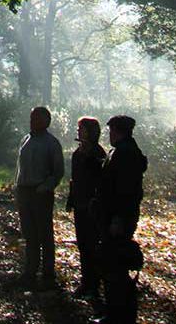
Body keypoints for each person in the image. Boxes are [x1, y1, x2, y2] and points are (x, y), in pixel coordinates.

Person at [97, 115, 148, 323]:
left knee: (115, 265)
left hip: (118, 218)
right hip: (117, 216)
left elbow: (124, 191)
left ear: (118, 130)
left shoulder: (124, 153)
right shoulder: (125, 151)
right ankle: (119, 313)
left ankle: (117, 315)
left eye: (111, 130)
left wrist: (117, 219)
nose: (109, 134)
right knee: (115, 264)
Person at [15, 106, 64, 289]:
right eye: (31, 117)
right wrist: (17, 188)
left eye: (36, 117)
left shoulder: (52, 144)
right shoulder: (25, 140)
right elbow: (19, 167)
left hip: (40, 193)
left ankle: (48, 273)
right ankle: (30, 270)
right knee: (29, 234)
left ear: (46, 121)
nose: (32, 120)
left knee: (44, 234)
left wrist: (45, 188)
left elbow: (58, 172)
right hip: (25, 192)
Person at [66, 116, 106, 297]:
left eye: (81, 128)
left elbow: (102, 183)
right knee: (82, 244)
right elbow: (75, 179)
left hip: (93, 207)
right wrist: (71, 198)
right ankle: (86, 282)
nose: (78, 131)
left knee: (93, 245)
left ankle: (94, 285)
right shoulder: (77, 153)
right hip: (80, 205)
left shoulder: (98, 154)